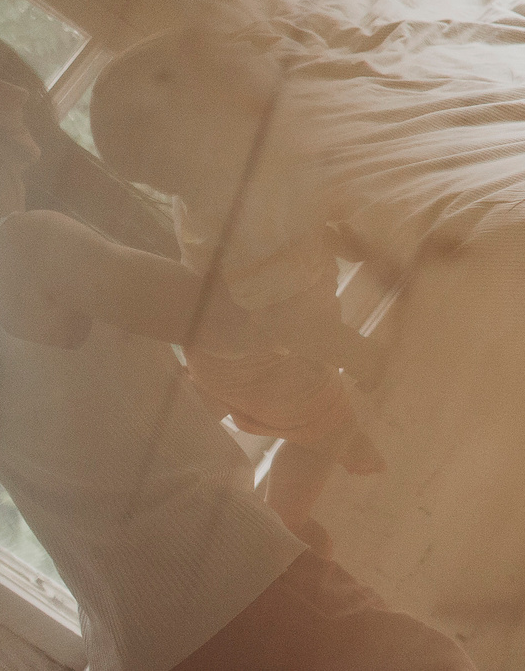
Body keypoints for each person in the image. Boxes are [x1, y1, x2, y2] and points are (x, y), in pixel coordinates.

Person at [0, 16, 474, 671]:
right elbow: (234, 317)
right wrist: (240, 166)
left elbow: (117, 434)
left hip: (143, 640)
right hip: (231, 592)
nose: (16, 94)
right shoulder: (26, 246)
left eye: (0, 75)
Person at [90, 30, 389, 552]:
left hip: (219, 352)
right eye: (238, 102)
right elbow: (286, 318)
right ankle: (285, 526)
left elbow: (303, 226)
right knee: (323, 431)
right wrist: (352, 351)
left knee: (229, 398)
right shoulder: (245, 218)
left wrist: (344, 238)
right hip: (262, 358)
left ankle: (197, 417)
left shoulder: (225, 195)